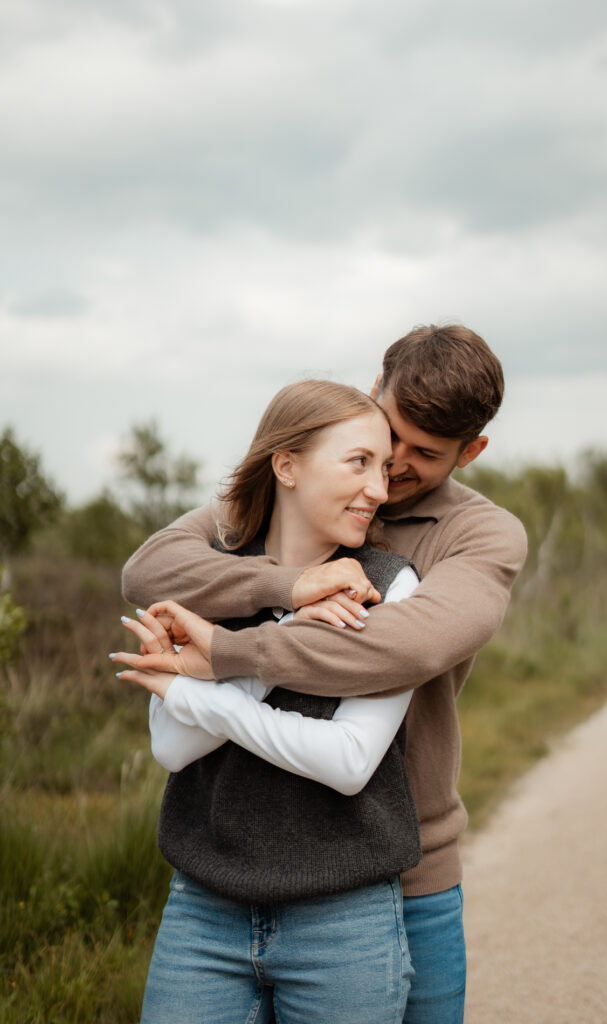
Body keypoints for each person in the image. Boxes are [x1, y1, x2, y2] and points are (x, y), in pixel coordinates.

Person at [122, 324, 528, 1023]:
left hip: (408, 869)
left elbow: (393, 650)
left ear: (472, 452)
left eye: (422, 455)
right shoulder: (293, 495)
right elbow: (148, 569)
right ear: (375, 391)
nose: (391, 469)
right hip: (230, 862)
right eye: (386, 437)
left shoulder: (480, 536)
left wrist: (225, 654)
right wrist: (289, 584)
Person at [112, 379, 424, 1024]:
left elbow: (348, 761)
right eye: (358, 463)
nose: (379, 490)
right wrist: (286, 631)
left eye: (384, 469)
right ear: (286, 465)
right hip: (203, 913)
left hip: (346, 920)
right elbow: (172, 747)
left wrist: (205, 678)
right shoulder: (209, 577)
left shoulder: (389, 584)